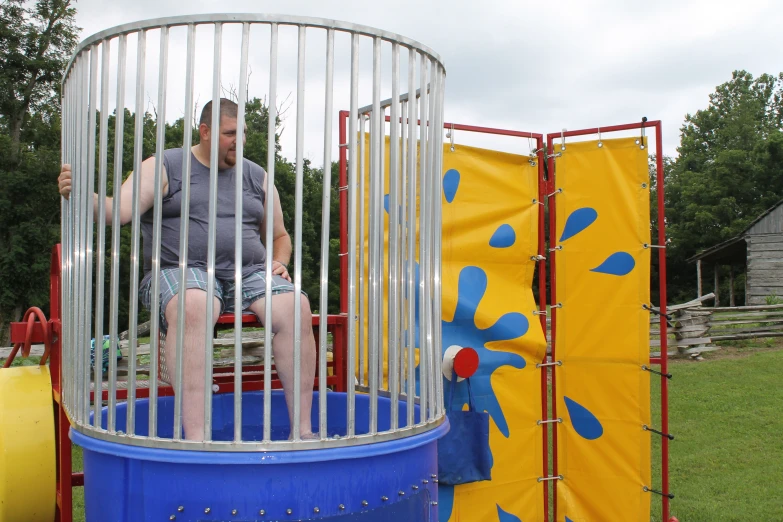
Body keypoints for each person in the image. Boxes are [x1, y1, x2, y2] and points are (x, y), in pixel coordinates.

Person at [58, 98, 317, 441]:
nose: (238, 141)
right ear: (205, 132)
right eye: (229, 133)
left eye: (242, 132)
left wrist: (280, 261)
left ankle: (303, 432)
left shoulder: (258, 176)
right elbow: (116, 212)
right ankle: (197, 440)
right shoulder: (165, 165)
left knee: (296, 306)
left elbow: (280, 236)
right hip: (178, 271)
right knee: (195, 302)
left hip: (247, 273)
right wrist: (82, 197)